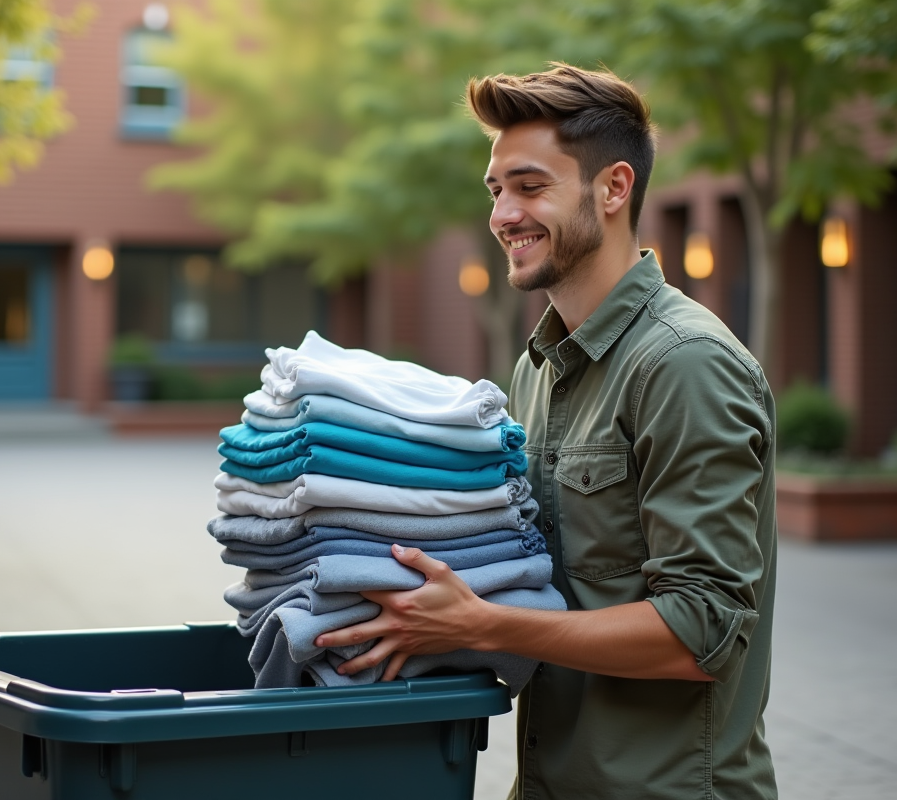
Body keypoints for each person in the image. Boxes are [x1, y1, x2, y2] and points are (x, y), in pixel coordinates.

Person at [314, 63, 777, 800]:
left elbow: (703, 632)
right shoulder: (539, 366)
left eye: (530, 187)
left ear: (614, 188)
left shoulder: (685, 363)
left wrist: (481, 624)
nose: (503, 215)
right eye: (496, 190)